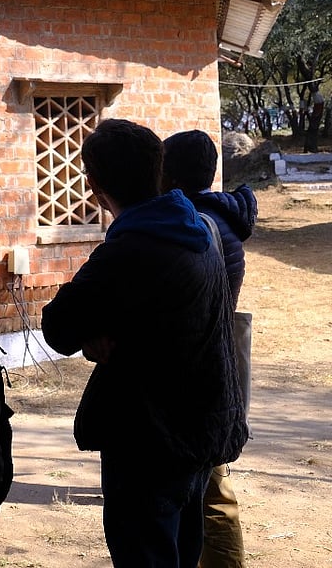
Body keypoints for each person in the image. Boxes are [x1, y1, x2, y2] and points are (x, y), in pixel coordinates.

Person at [41, 119, 248, 568]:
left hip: (149, 441)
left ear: (93, 184)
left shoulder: (129, 249)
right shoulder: (198, 228)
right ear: (159, 170)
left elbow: (58, 327)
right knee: (183, 550)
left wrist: (97, 330)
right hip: (200, 425)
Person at [163, 129, 258, 568]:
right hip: (213, 364)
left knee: (213, 488)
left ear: (170, 175)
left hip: (201, 371)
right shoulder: (221, 219)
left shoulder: (196, 228)